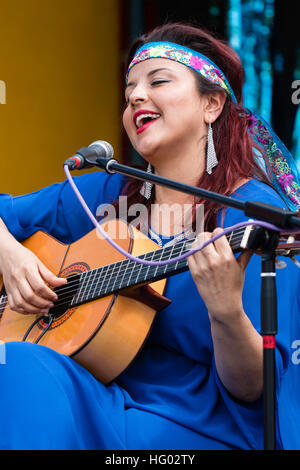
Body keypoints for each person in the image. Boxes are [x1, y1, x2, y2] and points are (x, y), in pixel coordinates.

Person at [0, 22, 299, 450]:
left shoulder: (254, 217)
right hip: (95, 402)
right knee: (19, 366)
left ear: (212, 103)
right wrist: (10, 256)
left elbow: (254, 389)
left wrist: (225, 312)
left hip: (196, 428)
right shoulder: (106, 192)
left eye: (158, 81)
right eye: (129, 91)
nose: (136, 96)